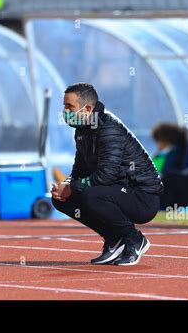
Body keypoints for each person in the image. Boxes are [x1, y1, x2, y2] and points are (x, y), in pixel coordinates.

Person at [51, 83, 163, 266]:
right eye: (64, 106)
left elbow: (106, 175)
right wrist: (65, 186)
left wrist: (74, 187)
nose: (64, 111)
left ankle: (135, 239)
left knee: (88, 194)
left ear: (86, 108)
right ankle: (114, 239)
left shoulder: (108, 129)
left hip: (142, 196)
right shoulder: (82, 130)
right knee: (61, 199)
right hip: (114, 190)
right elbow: (79, 170)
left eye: (69, 106)